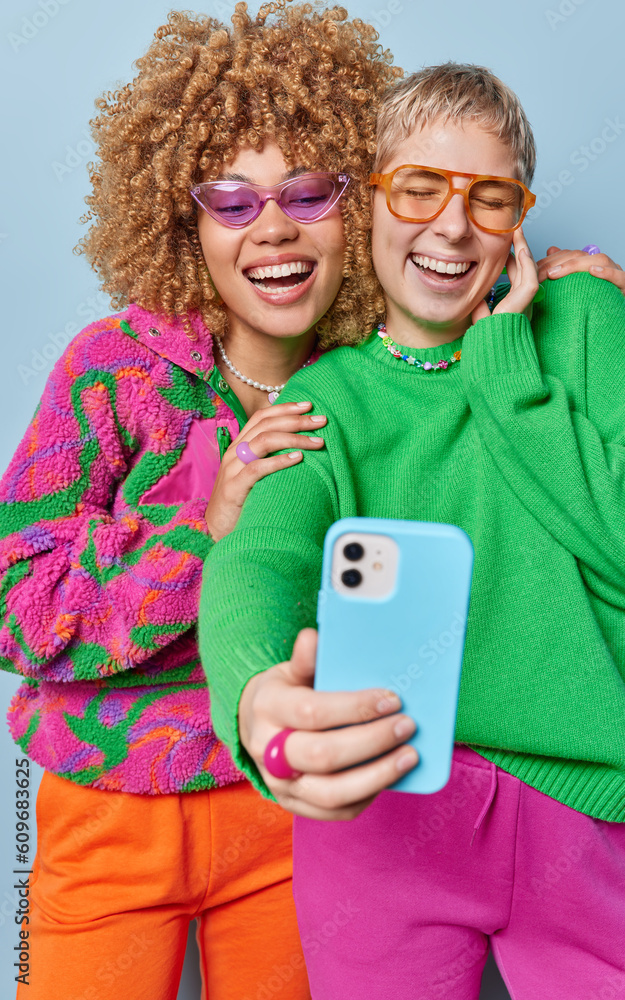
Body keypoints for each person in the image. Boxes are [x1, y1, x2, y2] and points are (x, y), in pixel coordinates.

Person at [199, 61, 625, 999]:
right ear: (367, 200)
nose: (451, 225)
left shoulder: (580, 323)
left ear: (517, 222)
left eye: (488, 198)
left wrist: (504, 370)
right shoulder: (326, 395)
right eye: (418, 188)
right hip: (384, 821)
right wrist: (256, 698)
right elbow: (260, 559)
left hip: (599, 823)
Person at [0, 5, 402, 998]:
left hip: (285, 810)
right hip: (105, 811)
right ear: (186, 221)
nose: (273, 226)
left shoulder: (378, 382)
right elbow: (20, 610)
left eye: (308, 193)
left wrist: (574, 294)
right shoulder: (108, 373)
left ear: (359, 208)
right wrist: (198, 533)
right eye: (233, 200)